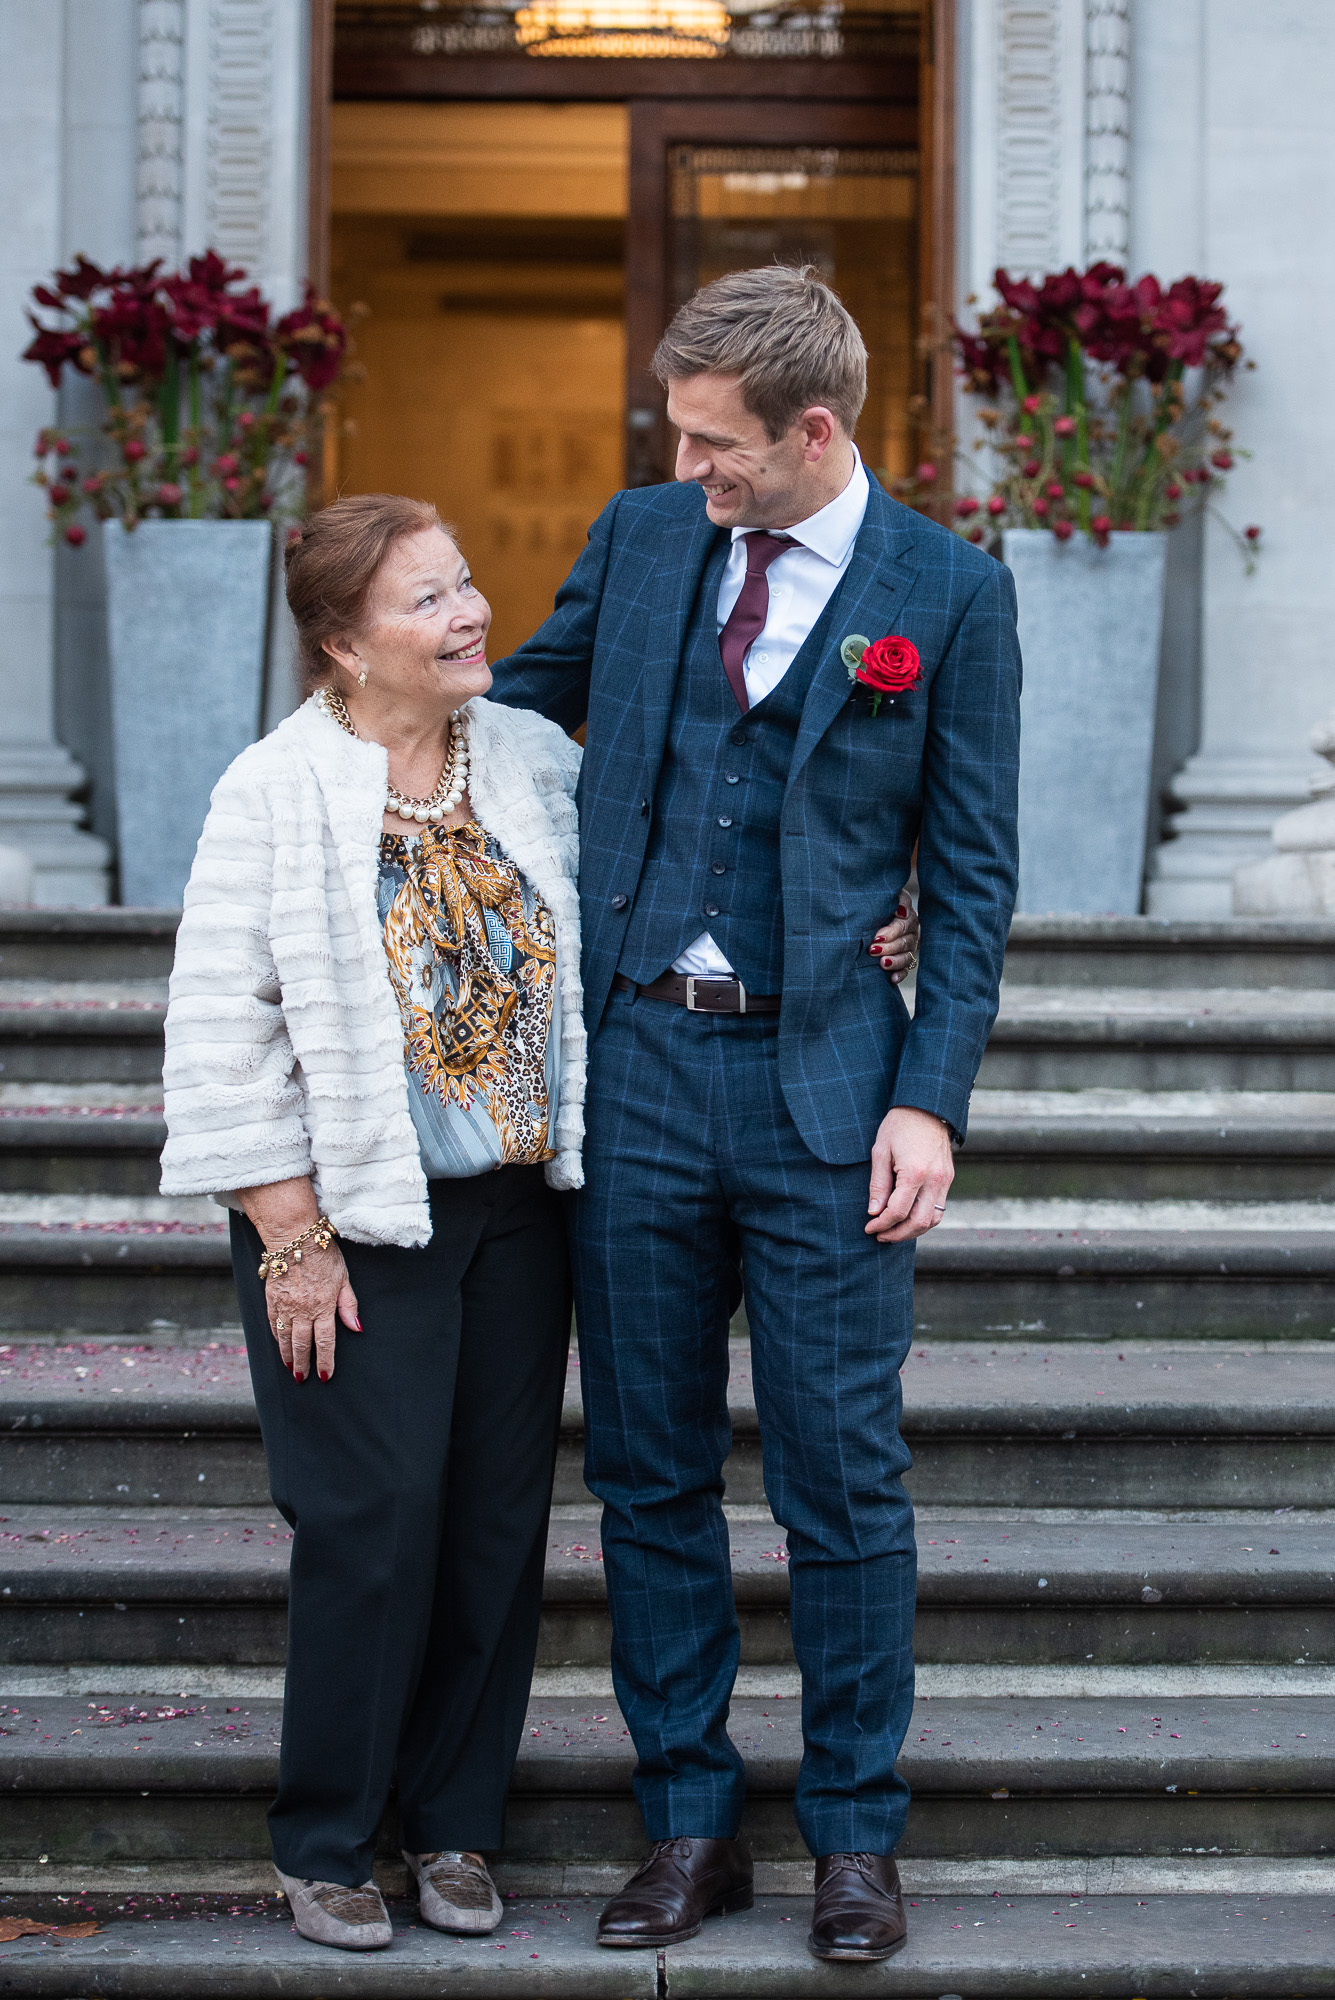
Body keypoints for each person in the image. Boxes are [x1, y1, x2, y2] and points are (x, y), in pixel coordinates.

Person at [489, 265, 1021, 1964]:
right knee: (647, 1471)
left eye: (718, 443)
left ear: (813, 431)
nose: (689, 464)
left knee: (842, 1478)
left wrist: (930, 1100)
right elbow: (509, 716)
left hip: (831, 1084)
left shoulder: (948, 591)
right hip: (640, 1062)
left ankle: (856, 1843)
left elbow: (980, 876)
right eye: (677, 432)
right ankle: (687, 1822)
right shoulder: (648, 538)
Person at [159, 493, 589, 1952]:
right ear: (345, 644)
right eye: (427, 601)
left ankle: (456, 1825)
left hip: (520, 1216)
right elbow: (221, 1027)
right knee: (367, 1525)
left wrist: (881, 907)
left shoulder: (533, 759)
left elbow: (652, 898)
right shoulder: (270, 791)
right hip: (348, 1226)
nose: (469, 614)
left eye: (466, 584)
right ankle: (331, 1835)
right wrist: (288, 1230)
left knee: (490, 1527)